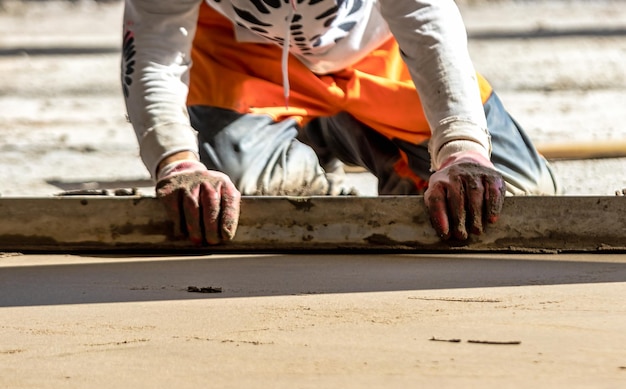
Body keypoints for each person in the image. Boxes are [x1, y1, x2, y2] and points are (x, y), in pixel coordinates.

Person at [121, 0, 559, 245]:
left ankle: (348, 130)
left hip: (380, 48)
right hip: (244, 57)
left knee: (512, 197)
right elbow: (156, 49)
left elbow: (429, 20)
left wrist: (462, 147)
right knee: (244, 203)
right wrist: (176, 161)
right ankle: (310, 138)